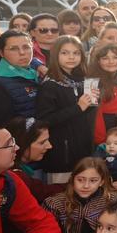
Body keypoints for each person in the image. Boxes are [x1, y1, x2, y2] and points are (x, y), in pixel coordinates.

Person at [36, 35, 96, 179]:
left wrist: (91, 101)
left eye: (76, 53)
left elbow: (84, 113)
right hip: (62, 152)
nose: (71, 57)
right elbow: (45, 120)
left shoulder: (81, 79)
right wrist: (78, 107)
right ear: (56, 54)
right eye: (65, 53)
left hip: (81, 147)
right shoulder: (50, 84)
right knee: (61, 195)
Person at [0, 30, 40, 123]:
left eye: (26, 47)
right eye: (13, 49)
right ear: (1, 53)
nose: (22, 52)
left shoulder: (39, 73)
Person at [7, 117, 63, 201]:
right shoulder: (16, 176)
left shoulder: (19, 170)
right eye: (42, 142)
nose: (49, 146)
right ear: (22, 143)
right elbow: (42, 192)